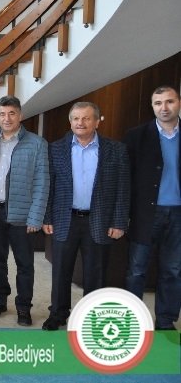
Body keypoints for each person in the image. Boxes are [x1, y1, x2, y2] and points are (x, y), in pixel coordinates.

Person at [41, 102, 130, 330]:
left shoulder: (116, 150)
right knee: (60, 271)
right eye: (76, 118)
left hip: (99, 220)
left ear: (97, 121)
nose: (80, 123)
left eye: (86, 118)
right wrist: (47, 217)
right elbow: (49, 186)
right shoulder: (56, 148)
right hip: (65, 218)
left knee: (96, 273)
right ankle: (58, 314)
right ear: (70, 122)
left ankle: (91, 317)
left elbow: (123, 188)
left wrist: (119, 222)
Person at [0, 96, 49, 326]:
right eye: (2, 114)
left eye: (11, 113)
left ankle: (23, 307)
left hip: (22, 214)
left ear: (20, 115)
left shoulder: (37, 144)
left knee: (25, 264)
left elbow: (42, 182)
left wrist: (36, 216)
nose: (6, 118)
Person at [124, 85, 181, 331]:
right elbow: (126, 179)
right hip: (145, 214)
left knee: (173, 271)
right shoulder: (135, 136)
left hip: (178, 215)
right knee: (136, 271)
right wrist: (125, 215)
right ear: (152, 106)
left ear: (178, 103)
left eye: (169, 101)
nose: (164, 107)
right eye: (158, 103)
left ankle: (166, 321)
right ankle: (133, 320)